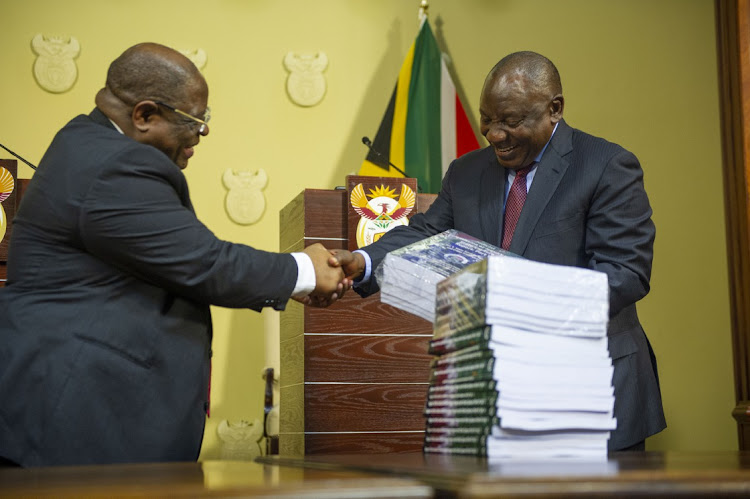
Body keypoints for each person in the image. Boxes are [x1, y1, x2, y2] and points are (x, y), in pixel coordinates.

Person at [0, 42, 348, 467]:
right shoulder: (115, 165)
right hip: (72, 421)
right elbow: (204, 262)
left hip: (78, 416)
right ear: (145, 115)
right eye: (194, 123)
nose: (201, 137)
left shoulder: (85, 144)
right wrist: (304, 270)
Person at [331, 51, 666, 451]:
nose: (493, 134)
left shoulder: (606, 165)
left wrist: (520, 299)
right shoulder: (466, 172)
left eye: (510, 121)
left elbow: (625, 273)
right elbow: (425, 232)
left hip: (589, 391)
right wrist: (363, 261)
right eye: (486, 119)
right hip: (497, 393)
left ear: (554, 109)